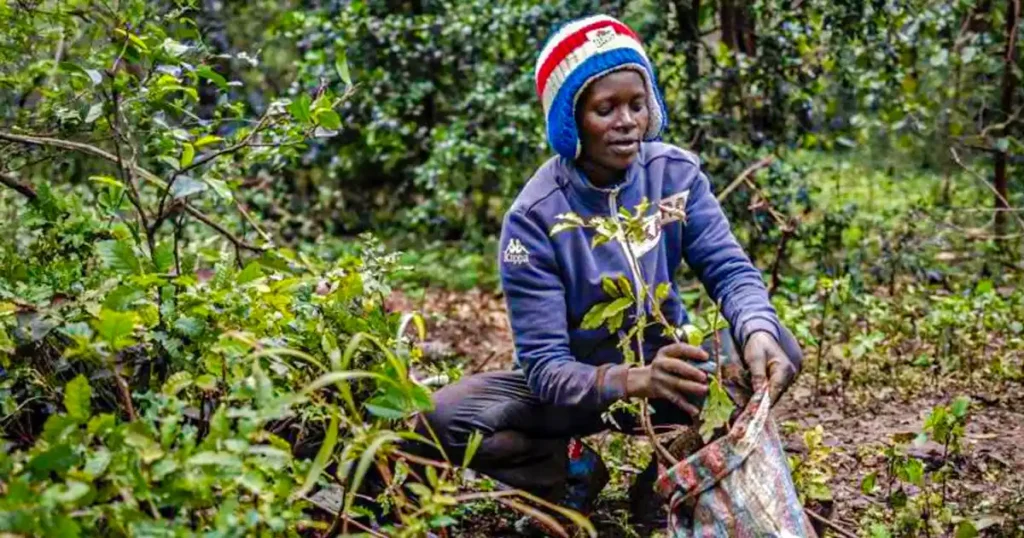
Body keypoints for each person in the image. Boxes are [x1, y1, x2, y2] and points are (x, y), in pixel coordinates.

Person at [417, 14, 803, 523]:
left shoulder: (675, 175)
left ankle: (665, 485)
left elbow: (730, 270)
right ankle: (570, 473)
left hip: (672, 372)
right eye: (606, 108)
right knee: (439, 418)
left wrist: (754, 328)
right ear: (570, 120)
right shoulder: (535, 217)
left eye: (636, 105)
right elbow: (545, 366)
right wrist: (636, 379)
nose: (626, 122)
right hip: (575, 390)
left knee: (775, 348)